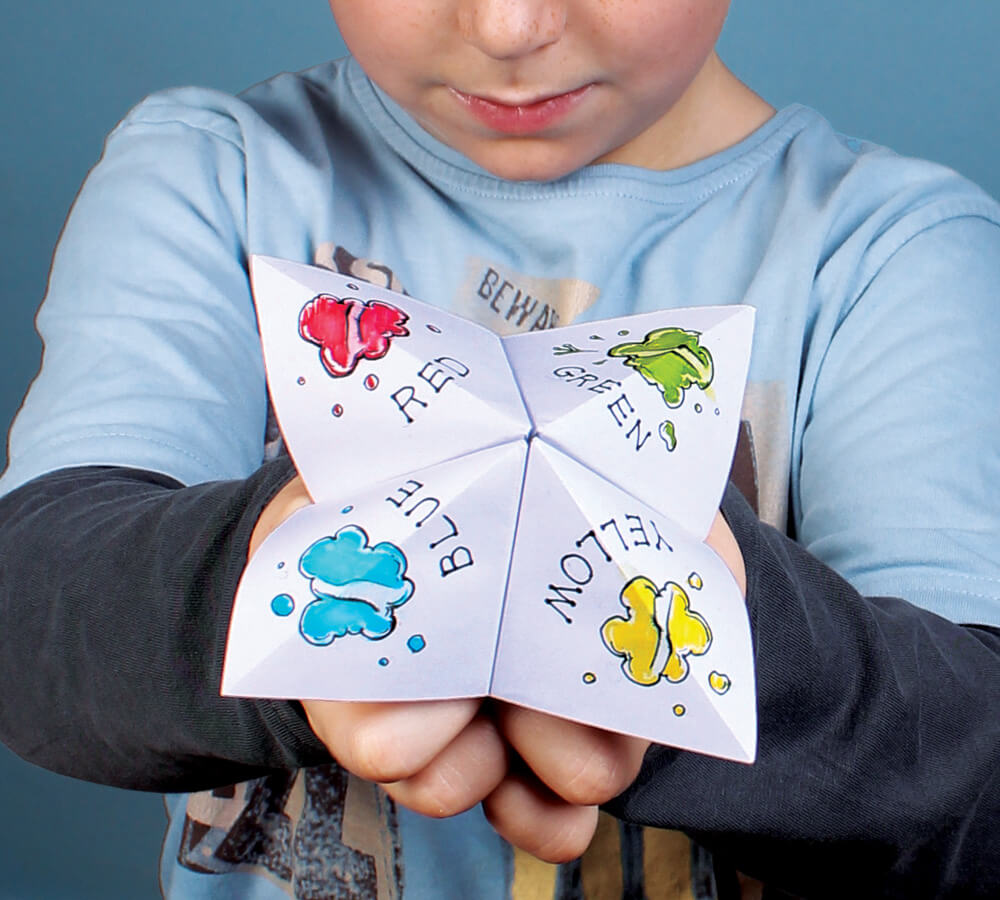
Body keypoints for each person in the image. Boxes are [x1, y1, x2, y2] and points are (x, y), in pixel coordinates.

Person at [1, 1, 999, 897]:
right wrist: (289, 595)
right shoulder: (219, 174)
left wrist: (696, 650)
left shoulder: (890, 255)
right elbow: (30, 613)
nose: (509, 28)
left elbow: (973, 789)